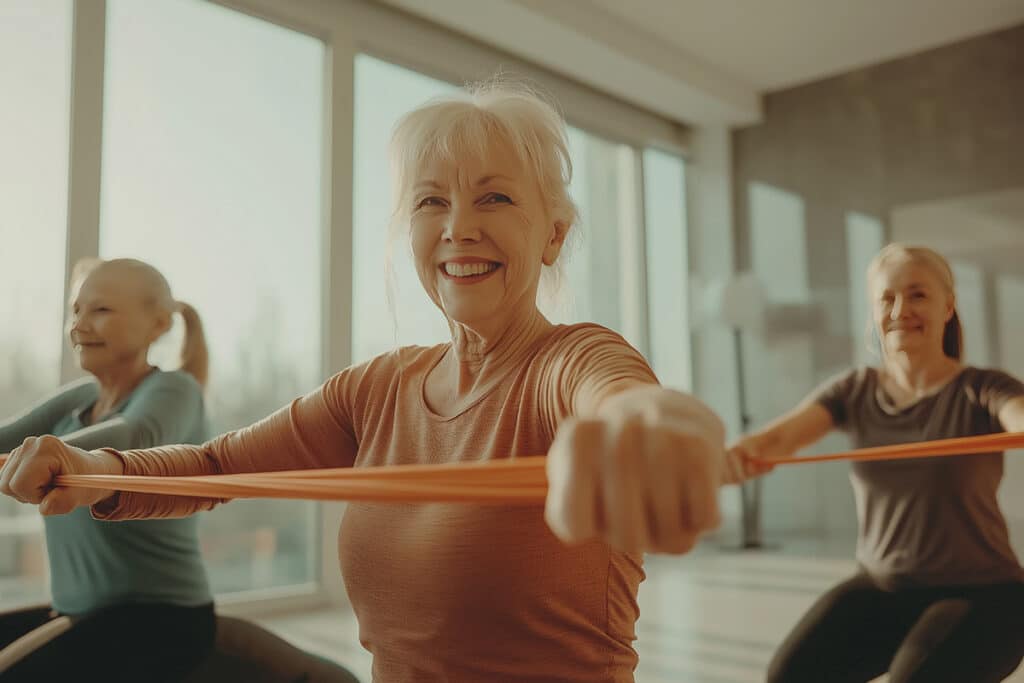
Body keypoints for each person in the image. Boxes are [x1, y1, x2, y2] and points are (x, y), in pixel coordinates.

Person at [1, 81, 726, 682]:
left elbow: (623, 397)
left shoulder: (569, 363)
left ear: (554, 234)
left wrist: (648, 425)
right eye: (431, 200)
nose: (457, 227)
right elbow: (217, 464)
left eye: (495, 199)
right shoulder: (377, 387)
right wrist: (94, 468)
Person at [723, 243, 1024, 683]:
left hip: (986, 593)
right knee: (788, 677)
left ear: (948, 306)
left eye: (918, 294)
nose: (901, 309)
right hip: (884, 586)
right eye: (887, 298)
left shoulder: (982, 388)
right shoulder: (855, 390)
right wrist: (729, 456)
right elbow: (776, 439)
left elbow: (1018, 414)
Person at [0, 258, 215, 682]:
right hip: (78, 613)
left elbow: (135, 433)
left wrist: (52, 455)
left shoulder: (174, 389)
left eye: (100, 310)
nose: (79, 324)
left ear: (157, 326)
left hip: (162, 619)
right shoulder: (80, 397)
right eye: (75, 310)